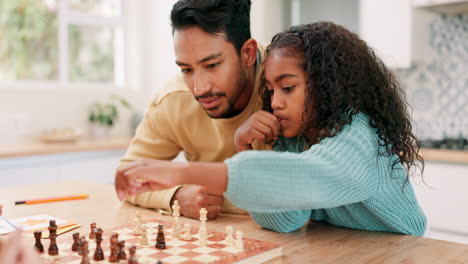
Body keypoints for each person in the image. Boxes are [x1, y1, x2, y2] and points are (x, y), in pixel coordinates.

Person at [116, 22, 427, 236]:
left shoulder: (359, 133)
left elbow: (313, 176)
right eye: (270, 89)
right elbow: (284, 221)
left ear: (328, 86)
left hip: (403, 249)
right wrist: (244, 149)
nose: (275, 102)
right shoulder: (293, 139)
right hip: (346, 248)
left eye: (288, 88)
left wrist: (181, 173)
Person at [115, 0, 268, 219]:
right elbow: (128, 177)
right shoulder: (173, 100)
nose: (199, 88)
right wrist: (176, 197)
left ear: (248, 53)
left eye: (212, 65)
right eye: (186, 69)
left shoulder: (289, 81)